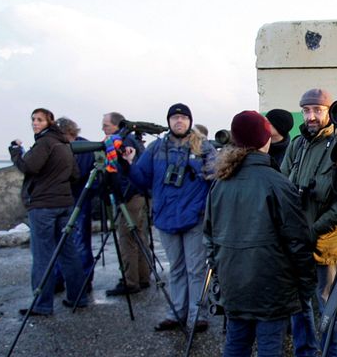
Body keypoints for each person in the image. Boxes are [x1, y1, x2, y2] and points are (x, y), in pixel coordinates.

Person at [205, 111, 313, 357]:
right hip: (271, 278)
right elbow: (297, 239)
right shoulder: (276, 182)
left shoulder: (221, 182)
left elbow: (209, 235)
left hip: (233, 277)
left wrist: (220, 267)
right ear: (265, 139)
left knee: (236, 339)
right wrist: (304, 283)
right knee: (268, 342)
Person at [279, 88, 337, 357]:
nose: (311, 116)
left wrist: (311, 231)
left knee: (327, 307)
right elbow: (283, 186)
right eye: (307, 110)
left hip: (326, 244)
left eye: (317, 110)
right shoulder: (297, 145)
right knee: (299, 305)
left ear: (329, 112)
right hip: (295, 244)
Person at [124, 103, 217, 332]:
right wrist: (128, 164)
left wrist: (199, 172)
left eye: (183, 118)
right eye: (175, 118)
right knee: (175, 268)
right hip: (166, 217)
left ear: (190, 121)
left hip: (194, 217)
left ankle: (197, 315)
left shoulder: (203, 147)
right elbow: (142, 180)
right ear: (168, 122)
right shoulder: (156, 148)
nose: (179, 121)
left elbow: (216, 178)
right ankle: (176, 313)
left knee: (195, 269)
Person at [9, 108, 88, 316]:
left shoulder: (45, 143)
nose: (35, 123)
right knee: (68, 252)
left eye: (39, 120)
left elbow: (29, 166)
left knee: (43, 255)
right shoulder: (64, 144)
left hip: (43, 206)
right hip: (64, 203)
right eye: (33, 119)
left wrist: (15, 152)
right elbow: (75, 174)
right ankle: (78, 297)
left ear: (49, 122)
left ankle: (42, 304)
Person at [101, 112, 151, 296]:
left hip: (129, 196)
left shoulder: (123, 143)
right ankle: (143, 276)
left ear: (116, 126)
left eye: (106, 125)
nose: (103, 129)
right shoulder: (133, 140)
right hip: (138, 194)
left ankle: (131, 281)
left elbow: (124, 171)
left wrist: (120, 193)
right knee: (139, 237)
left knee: (128, 239)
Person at [54, 117, 96, 287]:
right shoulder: (64, 147)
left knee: (80, 242)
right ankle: (59, 279)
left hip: (79, 200)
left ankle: (83, 280)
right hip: (65, 200)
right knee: (61, 241)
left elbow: (77, 174)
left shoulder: (83, 148)